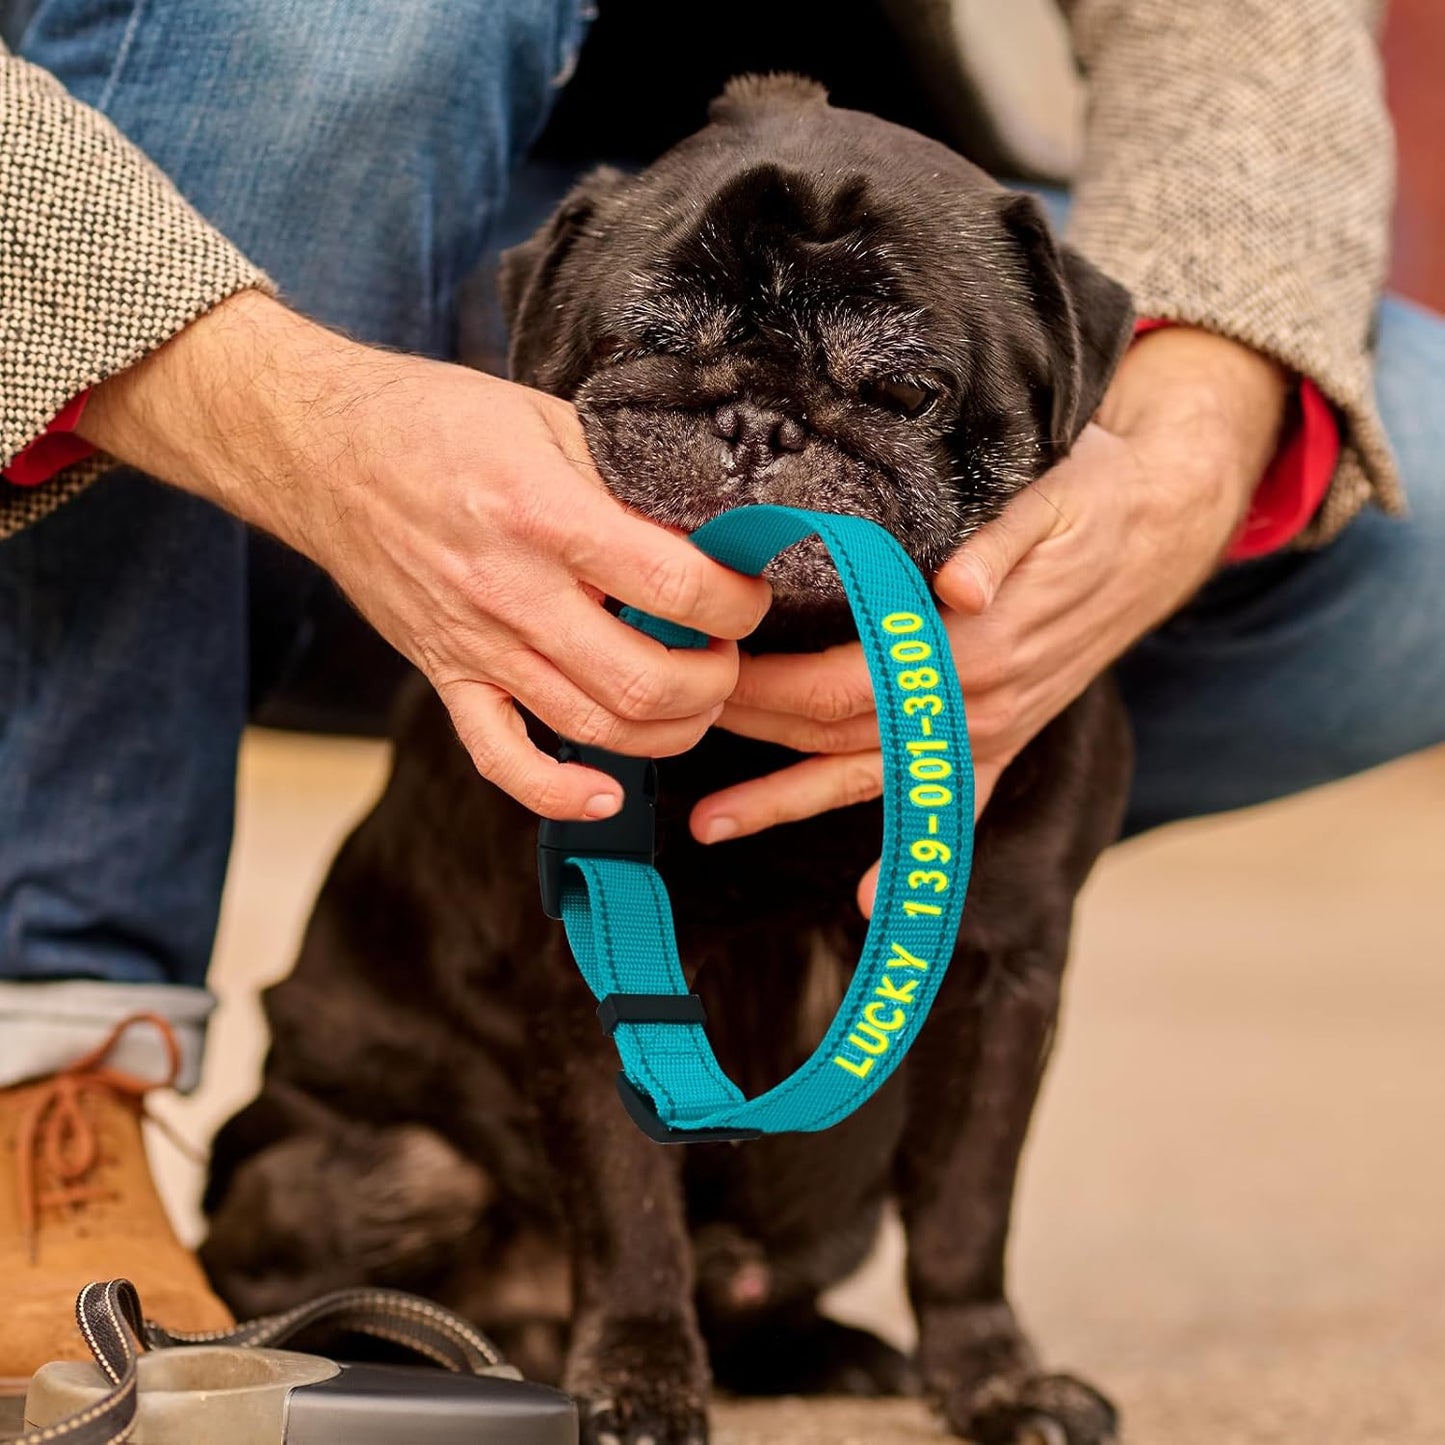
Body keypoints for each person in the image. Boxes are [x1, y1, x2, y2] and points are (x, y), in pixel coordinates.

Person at [1, 0, 1440, 1382]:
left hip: (883, 207)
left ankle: (852, 922)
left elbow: (1239, 22)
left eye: (887, 396)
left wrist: (1195, 444)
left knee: (1415, 503)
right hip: (255, 233)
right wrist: (266, 405)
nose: (758, 439)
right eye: (689, 379)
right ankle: (45, 1044)